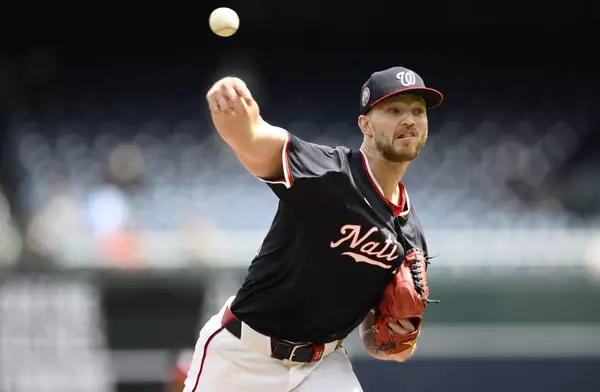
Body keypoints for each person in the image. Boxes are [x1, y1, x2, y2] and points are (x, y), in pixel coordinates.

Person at [182, 66, 443, 392]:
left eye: (418, 111)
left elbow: (375, 338)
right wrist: (227, 102)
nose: (409, 120)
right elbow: (251, 138)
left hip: (321, 367)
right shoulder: (327, 174)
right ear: (365, 124)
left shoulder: (409, 235)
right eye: (394, 110)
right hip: (242, 356)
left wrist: (398, 338)